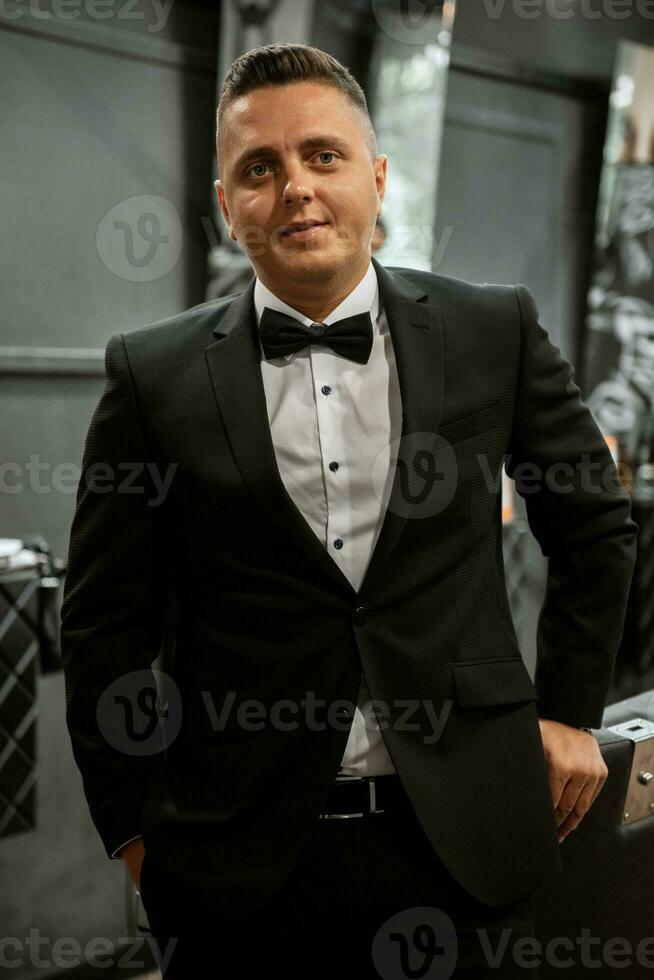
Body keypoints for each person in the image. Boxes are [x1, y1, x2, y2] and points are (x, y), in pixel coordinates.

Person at [60, 43, 637, 979]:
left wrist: (572, 715)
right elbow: (100, 622)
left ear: (375, 176)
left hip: (462, 842)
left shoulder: (495, 329)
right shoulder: (150, 374)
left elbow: (593, 526)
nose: (295, 187)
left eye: (322, 156)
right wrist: (129, 823)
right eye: (261, 167)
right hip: (236, 862)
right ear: (226, 204)